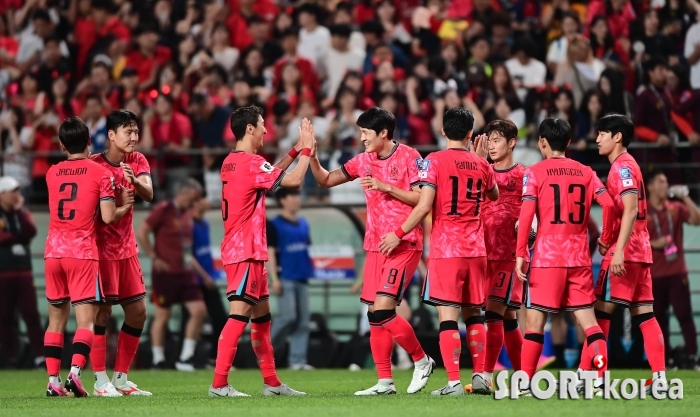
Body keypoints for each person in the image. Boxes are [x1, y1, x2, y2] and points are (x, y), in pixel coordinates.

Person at [309, 107, 435, 396]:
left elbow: (422, 198)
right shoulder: (362, 160)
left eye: (366, 132)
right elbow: (326, 180)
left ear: (384, 133)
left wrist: (386, 188)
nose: (362, 138)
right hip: (375, 245)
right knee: (373, 314)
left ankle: (421, 359)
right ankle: (385, 381)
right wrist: (313, 157)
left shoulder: (410, 156)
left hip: (403, 242)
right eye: (361, 132)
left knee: (383, 310)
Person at [379, 108, 499, 396]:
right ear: (471, 134)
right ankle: (481, 375)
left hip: (448, 249)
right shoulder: (481, 164)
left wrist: (397, 234)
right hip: (476, 250)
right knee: (474, 316)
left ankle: (454, 382)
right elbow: (493, 195)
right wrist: (479, 160)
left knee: (448, 317)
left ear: (443, 131)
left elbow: (423, 205)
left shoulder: (433, 161)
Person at [209, 105, 311, 397]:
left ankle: (272, 384)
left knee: (262, 319)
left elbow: (269, 176)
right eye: (263, 124)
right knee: (238, 316)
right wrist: (306, 151)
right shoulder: (251, 163)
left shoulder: (232, 162)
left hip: (249, 250)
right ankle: (219, 384)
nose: (267, 130)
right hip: (245, 251)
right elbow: (292, 181)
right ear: (250, 128)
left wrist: (293, 150)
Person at [514, 118, 616, 396]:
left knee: (535, 323)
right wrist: (606, 238)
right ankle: (601, 377)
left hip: (547, 257)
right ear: (569, 142)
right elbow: (609, 203)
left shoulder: (534, 172)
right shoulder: (586, 171)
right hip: (579, 256)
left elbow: (526, 216)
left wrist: (521, 251)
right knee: (590, 324)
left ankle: (524, 383)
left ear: (542, 142)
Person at [43, 117, 133, 397]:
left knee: (56, 321)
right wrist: (124, 206)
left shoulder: (51, 172)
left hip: (52, 252)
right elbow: (107, 217)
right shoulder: (99, 172)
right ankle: (75, 373)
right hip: (81, 252)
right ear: (89, 142)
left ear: (61, 145)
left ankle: (53, 382)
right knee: (86, 321)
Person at [582, 114, 668, 393]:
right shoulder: (627, 165)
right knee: (645, 315)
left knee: (598, 315)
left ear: (617, 136)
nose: (597, 139)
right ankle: (659, 378)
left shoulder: (622, 167)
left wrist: (617, 250)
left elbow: (630, 209)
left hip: (626, 251)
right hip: (640, 250)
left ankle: (594, 378)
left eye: (602, 134)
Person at [89, 110, 154, 396]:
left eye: (136, 131)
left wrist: (136, 182)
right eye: (128, 132)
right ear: (111, 135)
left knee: (138, 312)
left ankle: (120, 378)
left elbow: (149, 192)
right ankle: (99, 379)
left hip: (127, 250)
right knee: (102, 314)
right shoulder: (93, 166)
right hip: (101, 251)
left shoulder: (137, 160)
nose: (134, 137)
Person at [473, 119, 528, 390]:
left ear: (511, 142)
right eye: (489, 140)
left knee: (493, 314)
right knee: (508, 318)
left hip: (509, 254)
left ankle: (485, 375)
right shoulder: (483, 170)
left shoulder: (523, 175)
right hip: (484, 254)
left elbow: (535, 211)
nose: (492, 145)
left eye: (497, 140)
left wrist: (529, 229)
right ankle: (524, 378)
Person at [137, 179, 207, 371]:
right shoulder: (164, 209)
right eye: (192, 198)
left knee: (199, 310)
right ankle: (158, 360)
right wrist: (153, 256)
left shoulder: (188, 214)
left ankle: (185, 357)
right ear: (183, 193)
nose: (193, 203)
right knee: (163, 315)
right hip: (165, 272)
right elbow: (143, 231)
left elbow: (186, 247)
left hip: (185, 272)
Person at [645, 170, 700, 369]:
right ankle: (665, 360)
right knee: (659, 320)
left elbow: (697, 220)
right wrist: (654, 243)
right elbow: (633, 241)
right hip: (654, 275)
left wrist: (685, 196)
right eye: (661, 181)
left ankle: (693, 358)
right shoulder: (642, 212)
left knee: (684, 315)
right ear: (650, 186)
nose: (665, 185)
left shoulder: (675, 207)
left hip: (677, 272)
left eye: (666, 182)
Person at [268, 188, 315, 370]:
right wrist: (274, 278)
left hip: (303, 276)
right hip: (285, 276)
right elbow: (270, 252)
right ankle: (265, 349)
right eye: (293, 196)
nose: (297, 199)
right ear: (282, 200)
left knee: (303, 321)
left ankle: (297, 360)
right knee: (288, 317)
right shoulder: (275, 224)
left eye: (298, 195)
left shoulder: (304, 223)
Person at [0, 176, 44, 369]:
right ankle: (10, 357)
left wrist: (18, 212)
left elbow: (30, 232)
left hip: (24, 272)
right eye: (13, 192)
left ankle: (40, 357)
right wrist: (17, 238)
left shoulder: (21, 213)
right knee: (5, 317)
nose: (17, 195)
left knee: (31, 315)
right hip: (4, 273)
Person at [190, 195, 228, 367]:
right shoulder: (189, 224)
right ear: (195, 202)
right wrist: (204, 276)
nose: (207, 201)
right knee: (190, 319)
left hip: (208, 279)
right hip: (194, 281)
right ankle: (187, 359)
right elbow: (188, 256)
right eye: (204, 198)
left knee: (220, 317)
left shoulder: (204, 223)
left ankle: (214, 357)